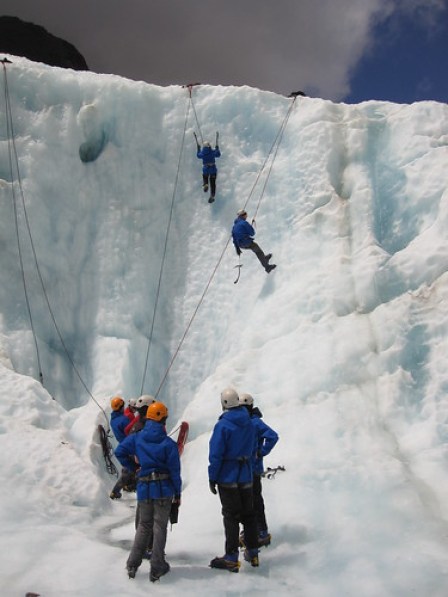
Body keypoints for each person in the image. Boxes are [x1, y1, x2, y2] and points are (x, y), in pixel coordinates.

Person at [115, 401, 182, 583]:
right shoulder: (168, 444)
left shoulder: (137, 438)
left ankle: (132, 564)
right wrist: (178, 493)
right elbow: (175, 471)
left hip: (144, 488)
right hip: (164, 489)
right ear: (162, 419)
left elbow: (119, 451)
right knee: (159, 526)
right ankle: (157, 565)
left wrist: (134, 467)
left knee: (144, 526)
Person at [208, 387, 259, 572]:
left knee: (231, 516)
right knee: (249, 514)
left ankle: (231, 557)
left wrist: (212, 477)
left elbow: (216, 453)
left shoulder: (223, 425)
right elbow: (254, 446)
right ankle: (253, 553)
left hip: (227, 476)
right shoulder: (249, 422)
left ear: (224, 404)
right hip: (245, 474)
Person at [239, 393, 279, 548]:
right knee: (250, 501)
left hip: (252, 469)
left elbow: (273, 436)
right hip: (248, 469)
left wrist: (261, 452)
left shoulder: (255, 423)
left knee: (254, 500)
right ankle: (254, 530)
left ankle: (261, 531)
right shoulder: (251, 422)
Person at [109, 396, 136, 499]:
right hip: (130, 446)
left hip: (123, 445)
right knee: (131, 469)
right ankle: (122, 489)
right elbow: (132, 431)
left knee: (128, 469)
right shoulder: (124, 419)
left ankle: (120, 490)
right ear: (120, 407)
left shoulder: (113, 420)